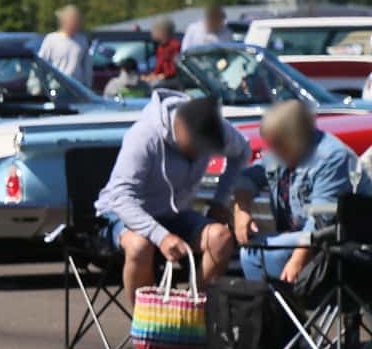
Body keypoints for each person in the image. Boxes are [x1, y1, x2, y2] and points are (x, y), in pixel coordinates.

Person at [95, 91, 251, 307]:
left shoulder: (213, 127)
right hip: (123, 214)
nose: (201, 154)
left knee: (221, 238)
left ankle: (196, 315)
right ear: (181, 128)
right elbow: (121, 197)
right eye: (198, 147)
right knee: (140, 246)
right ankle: (148, 325)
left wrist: (220, 200)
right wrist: (161, 236)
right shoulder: (144, 136)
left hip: (175, 213)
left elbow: (243, 150)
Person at [235, 101, 356, 283]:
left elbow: (321, 222)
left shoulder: (331, 158)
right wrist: (241, 210)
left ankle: (271, 308)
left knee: (253, 255)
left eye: (277, 144)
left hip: (337, 241)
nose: (272, 151)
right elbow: (248, 178)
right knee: (254, 247)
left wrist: (298, 260)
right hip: (302, 236)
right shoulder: (282, 153)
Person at [36, 4, 88, 82]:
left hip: (76, 89)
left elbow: (87, 67)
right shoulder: (51, 39)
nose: (75, 24)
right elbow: (40, 63)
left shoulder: (82, 40)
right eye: (72, 21)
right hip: (56, 87)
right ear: (64, 21)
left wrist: (87, 87)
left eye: (76, 21)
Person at [142, 17, 180, 83]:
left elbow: (176, 67)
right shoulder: (161, 47)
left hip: (172, 80)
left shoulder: (175, 45)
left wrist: (163, 75)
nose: (153, 33)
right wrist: (153, 75)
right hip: (164, 79)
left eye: (155, 30)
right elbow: (159, 65)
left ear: (164, 31)